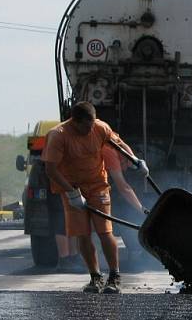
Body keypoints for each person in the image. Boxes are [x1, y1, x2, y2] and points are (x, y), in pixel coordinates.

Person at [42, 101, 148, 294]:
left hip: (98, 186)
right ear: (75, 122)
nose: (90, 129)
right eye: (86, 126)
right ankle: (95, 277)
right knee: (83, 234)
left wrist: (135, 161)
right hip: (72, 188)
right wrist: (72, 193)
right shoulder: (58, 136)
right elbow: (50, 169)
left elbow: (118, 144)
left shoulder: (99, 127)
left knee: (104, 231)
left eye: (92, 125)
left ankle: (114, 276)